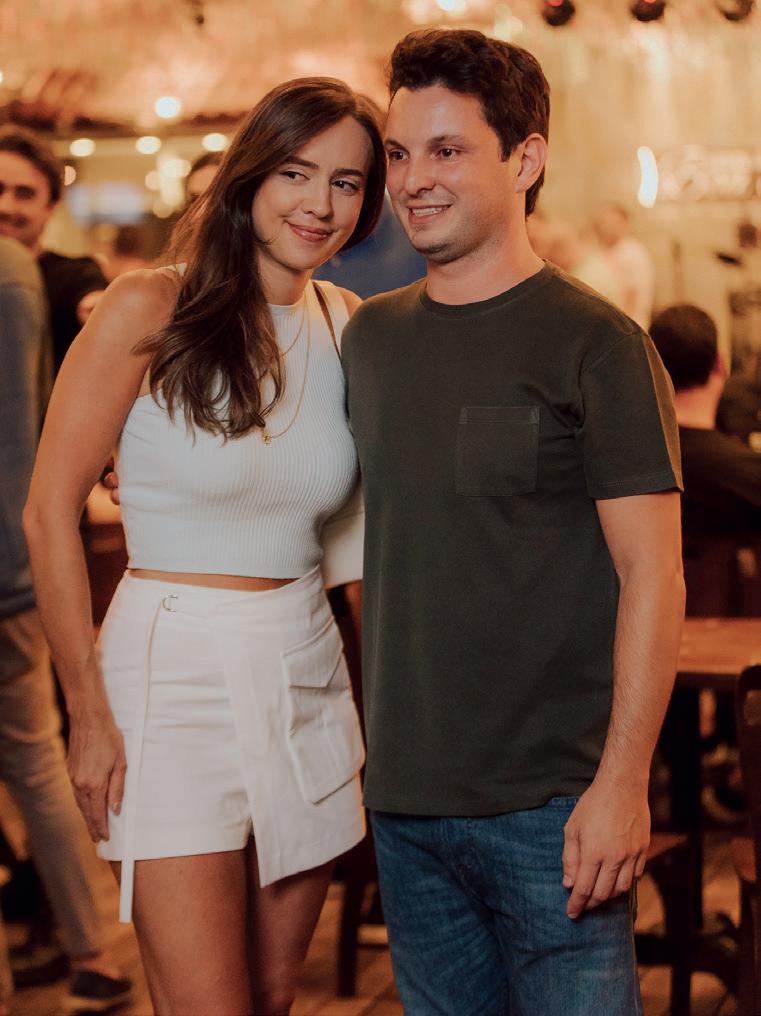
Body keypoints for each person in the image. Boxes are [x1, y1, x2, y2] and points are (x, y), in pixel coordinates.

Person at [24, 77, 385, 1015]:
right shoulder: (149, 304)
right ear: (249, 175)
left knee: (270, 999)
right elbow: (47, 512)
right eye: (296, 173)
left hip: (305, 668)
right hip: (169, 678)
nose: (319, 203)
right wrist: (87, 713)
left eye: (347, 182)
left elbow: (371, 521)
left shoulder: (348, 325)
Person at [341, 29, 684, 1015]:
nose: (413, 180)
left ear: (524, 159)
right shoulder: (369, 338)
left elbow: (654, 576)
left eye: (446, 150)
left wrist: (622, 782)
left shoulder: (596, 341)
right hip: (404, 798)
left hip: (554, 807)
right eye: (399, 153)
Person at [0, 234, 131, 1012]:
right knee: (37, 759)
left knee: (38, 759)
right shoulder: (18, 272)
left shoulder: (26, 276)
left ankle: (86, 946)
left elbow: (24, 451)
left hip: (11, 571)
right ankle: (89, 947)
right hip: (18, 566)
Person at [0, 126, 108, 374]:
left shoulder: (74, 276)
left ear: (51, 207)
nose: (5, 206)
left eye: (24, 194)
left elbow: (92, 299)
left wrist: (101, 311)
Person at [593, 201, 655, 330]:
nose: (608, 227)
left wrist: (623, 326)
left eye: (613, 222)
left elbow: (632, 292)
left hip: (629, 324)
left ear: (625, 223)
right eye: (604, 222)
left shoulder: (632, 252)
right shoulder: (602, 250)